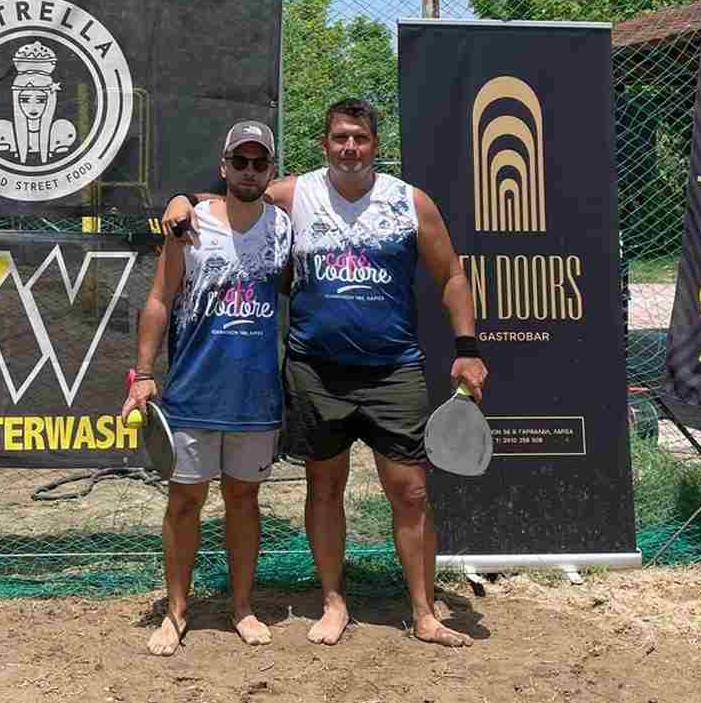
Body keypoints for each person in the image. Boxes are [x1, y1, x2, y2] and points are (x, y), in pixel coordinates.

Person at [162, 99, 487, 649]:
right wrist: (181, 199)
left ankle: (425, 612)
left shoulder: (410, 202)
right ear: (325, 144)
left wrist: (467, 347)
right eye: (340, 138)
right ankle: (334, 602)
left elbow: (452, 274)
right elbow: (233, 194)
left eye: (360, 138)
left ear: (375, 144)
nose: (350, 148)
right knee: (324, 486)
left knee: (410, 492)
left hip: (393, 369)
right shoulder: (295, 193)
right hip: (316, 370)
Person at [124, 120, 292, 657]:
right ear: (223, 167)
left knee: (244, 501)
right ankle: (176, 612)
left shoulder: (284, 228)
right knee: (184, 502)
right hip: (194, 391)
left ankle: (241, 607)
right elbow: (159, 299)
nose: (249, 171)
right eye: (239, 161)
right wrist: (143, 374)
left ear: (270, 170)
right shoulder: (188, 226)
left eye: (259, 163)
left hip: (254, 395)